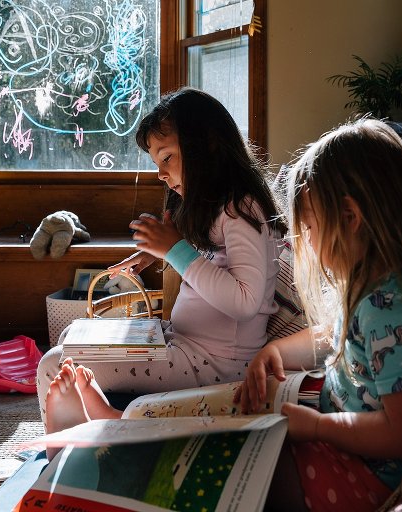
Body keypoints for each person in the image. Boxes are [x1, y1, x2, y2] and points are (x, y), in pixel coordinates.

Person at [235, 118, 402, 511]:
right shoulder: (379, 290)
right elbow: (335, 335)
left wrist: (316, 427)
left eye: (309, 226)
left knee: (248, 465)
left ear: (349, 217)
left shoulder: (392, 311)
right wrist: (275, 351)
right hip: (347, 442)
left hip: (367, 476)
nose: (306, 239)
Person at [36, 87, 286, 440]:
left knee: (53, 364)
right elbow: (208, 262)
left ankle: (63, 456)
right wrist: (156, 252)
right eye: (157, 163)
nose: (161, 174)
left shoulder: (242, 210)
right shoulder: (219, 208)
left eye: (166, 157)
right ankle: (90, 435)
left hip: (214, 365)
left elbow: (245, 302)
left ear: (207, 146)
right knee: (71, 336)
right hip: (183, 343)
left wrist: (175, 251)